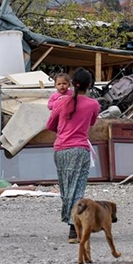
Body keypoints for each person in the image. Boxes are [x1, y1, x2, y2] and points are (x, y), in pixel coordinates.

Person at [46, 68, 100, 243]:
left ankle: (71, 223)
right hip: (80, 149)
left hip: (60, 149)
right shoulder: (93, 104)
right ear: (89, 85)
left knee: (66, 189)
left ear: (71, 84)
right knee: (78, 189)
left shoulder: (60, 102)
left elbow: (50, 125)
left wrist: (63, 130)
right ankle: (73, 227)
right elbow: (91, 122)